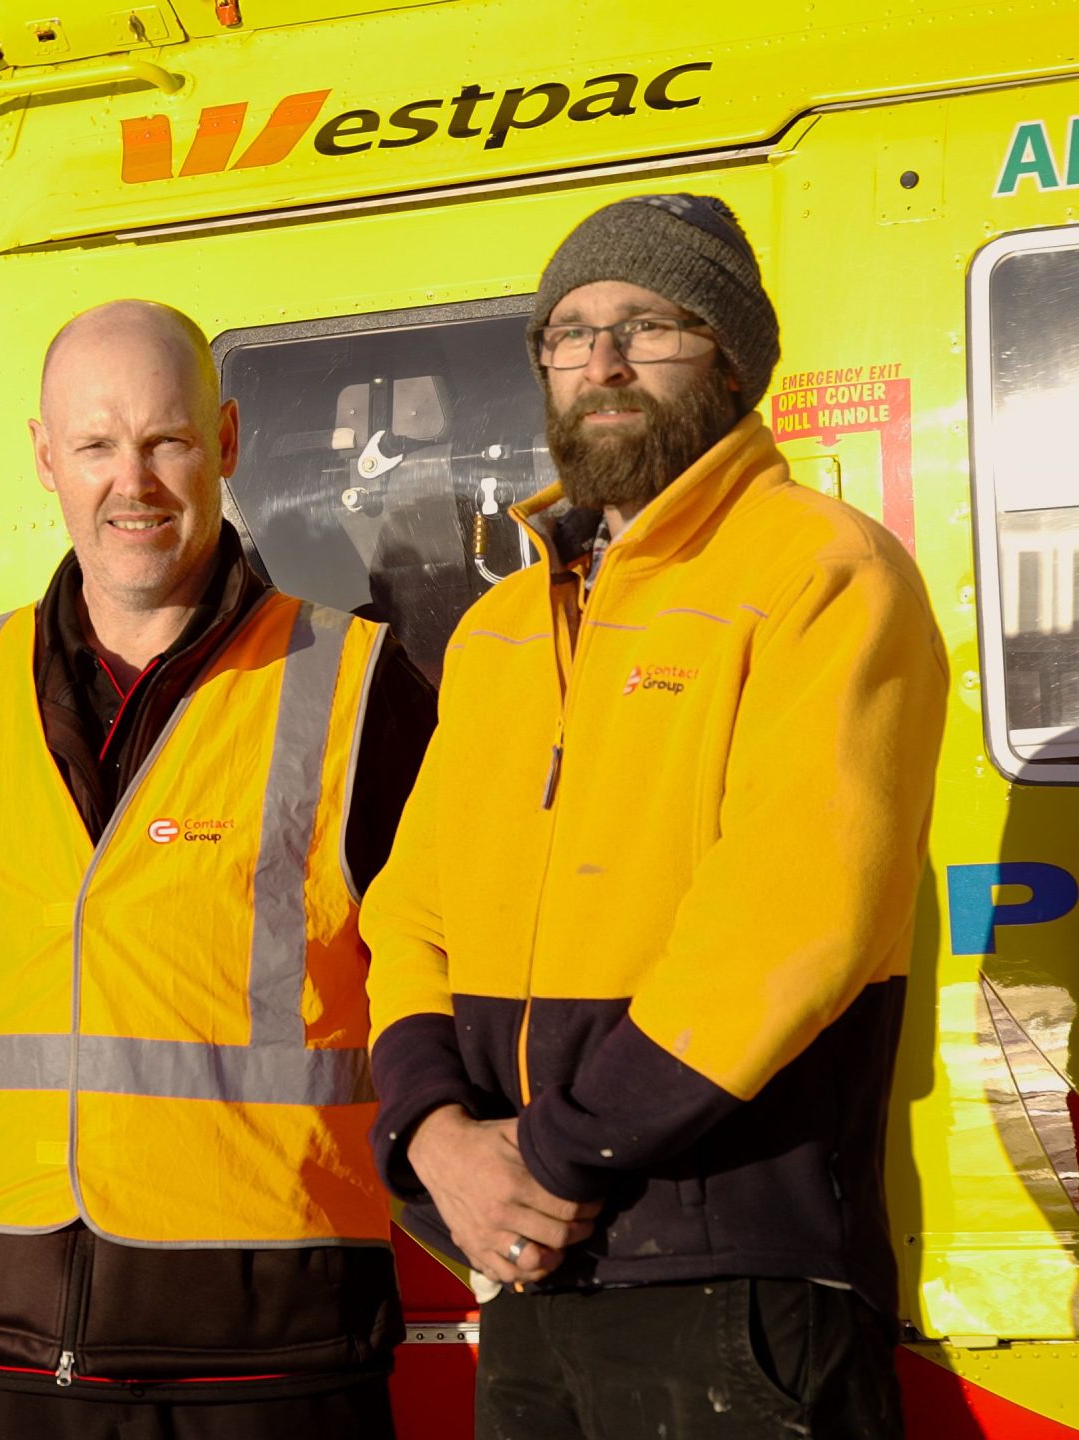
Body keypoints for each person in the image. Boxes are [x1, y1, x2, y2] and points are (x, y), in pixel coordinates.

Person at [362, 194, 949, 1439]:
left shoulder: (821, 573)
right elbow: (410, 910)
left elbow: (796, 917)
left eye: (649, 324)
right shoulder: (501, 633)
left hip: (734, 1285)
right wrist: (439, 1138)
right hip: (534, 1276)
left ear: (729, 356)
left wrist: (546, 1160)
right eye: (569, 335)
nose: (603, 361)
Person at [0, 300, 436, 1439]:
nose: (129, 482)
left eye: (167, 442)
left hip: (270, 1347)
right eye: (95, 446)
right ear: (45, 458)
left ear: (227, 443)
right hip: (10, 1344)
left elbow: (439, 971)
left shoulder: (355, 683)